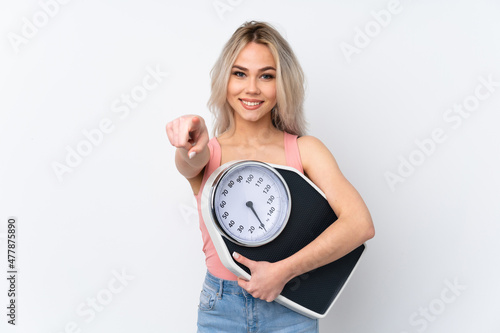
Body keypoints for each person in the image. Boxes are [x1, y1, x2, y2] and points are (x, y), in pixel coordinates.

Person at [166, 21, 375, 333]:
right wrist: (188, 140)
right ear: (225, 80)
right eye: (240, 74)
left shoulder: (306, 151)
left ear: (283, 84)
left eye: (266, 75)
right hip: (221, 308)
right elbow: (188, 162)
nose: (252, 88)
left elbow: (360, 225)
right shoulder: (207, 152)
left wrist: (284, 271)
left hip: (290, 306)